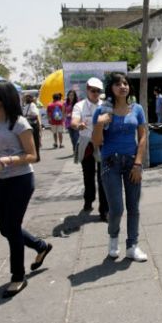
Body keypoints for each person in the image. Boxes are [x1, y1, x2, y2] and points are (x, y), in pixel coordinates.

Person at [0, 80, 51, 298]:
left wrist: (4, 161)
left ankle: (18, 276)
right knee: (5, 229)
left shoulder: (19, 123)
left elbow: (32, 156)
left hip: (20, 181)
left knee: (12, 227)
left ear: (2, 98)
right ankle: (40, 246)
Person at [92, 72, 148, 262]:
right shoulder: (102, 112)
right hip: (110, 163)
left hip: (132, 162)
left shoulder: (137, 109)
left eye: (125, 83)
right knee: (116, 209)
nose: (122, 86)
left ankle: (132, 245)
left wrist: (138, 163)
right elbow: (97, 142)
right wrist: (99, 125)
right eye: (117, 84)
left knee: (134, 207)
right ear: (111, 88)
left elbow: (142, 137)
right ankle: (113, 238)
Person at [71, 77, 108, 221]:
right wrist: (78, 125)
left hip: (102, 142)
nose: (95, 93)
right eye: (93, 90)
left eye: (98, 91)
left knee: (103, 176)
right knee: (88, 175)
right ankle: (89, 199)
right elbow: (74, 121)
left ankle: (104, 209)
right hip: (86, 143)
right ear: (87, 89)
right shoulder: (79, 106)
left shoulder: (105, 105)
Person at [22, 94, 42, 162]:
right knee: (36, 141)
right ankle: (37, 156)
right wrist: (40, 125)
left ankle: (34, 156)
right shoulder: (33, 105)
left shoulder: (25, 106)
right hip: (33, 125)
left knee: (31, 141)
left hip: (27, 125)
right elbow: (36, 115)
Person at [64, 89, 80, 158]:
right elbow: (63, 112)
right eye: (70, 95)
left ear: (75, 96)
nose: (71, 97)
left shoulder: (78, 103)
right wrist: (66, 116)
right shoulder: (65, 103)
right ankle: (74, 150)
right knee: (72, 138)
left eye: (72, 95)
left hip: (76, 122)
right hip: (68, 122)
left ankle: (77, 151)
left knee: (76, 137)